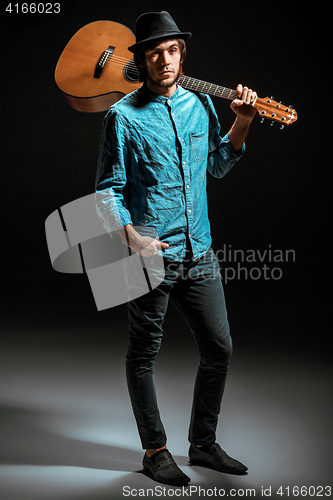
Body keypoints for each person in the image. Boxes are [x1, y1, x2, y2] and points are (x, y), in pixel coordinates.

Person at [95, 11, 257, 486]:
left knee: (219, 348)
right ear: (142, 61)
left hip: (199, 251)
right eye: (154, 53)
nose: (165, 60)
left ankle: (203, 445)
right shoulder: (121, 117)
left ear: (181, 55)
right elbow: (106, 192)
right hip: (146, 254)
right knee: (142, 353)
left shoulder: (199, 106)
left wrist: (243, 123)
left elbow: (220, 166)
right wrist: (132, 238)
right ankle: (154, 450)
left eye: (172, 51)